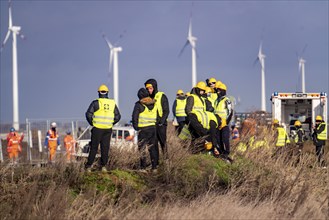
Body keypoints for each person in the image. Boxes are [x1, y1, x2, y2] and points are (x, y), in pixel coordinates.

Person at [85, 84, 121, 172]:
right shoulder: (112, 103)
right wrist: (111, 123)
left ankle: (89, 166)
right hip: (107, 129)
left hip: (97, 129)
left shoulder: (96, 103)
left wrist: (92, 123)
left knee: (94, 148)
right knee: (105, 148)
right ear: (107, 92)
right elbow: (118, 116)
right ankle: (103, 166)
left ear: (99, 93)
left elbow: (88, 114)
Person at [132, 88, 159, 172]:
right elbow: (157, 117)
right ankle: (154, 167)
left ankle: (143, 167)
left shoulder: (139, 105)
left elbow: (134, 117)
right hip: (153, 129)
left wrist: (136, 127)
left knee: (142, 149)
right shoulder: (154, 103)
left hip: (143, 130)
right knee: (153, 149)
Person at [144, 79, 170, 159]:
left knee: (163, 143)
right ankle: (156, 163)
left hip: (161, 125)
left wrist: (161, 122)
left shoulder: (162, 96)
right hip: (152, 125)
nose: (149, 90)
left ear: (154, 87)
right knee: (153, 145)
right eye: (147, 89)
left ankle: (166, 160)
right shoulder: (147, 98)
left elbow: (166, 110)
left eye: (150, 88)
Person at [214, 82, 233, 159]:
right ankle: (221, 153)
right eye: (218, 90)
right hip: (217, 123)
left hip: (224, 123)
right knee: (218, 139)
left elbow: (230, 112)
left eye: (220, 90)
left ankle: (226, 153)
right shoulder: (216, 100)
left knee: (225, 138)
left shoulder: (226, 100)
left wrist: (226, 122)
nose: (218, 92)